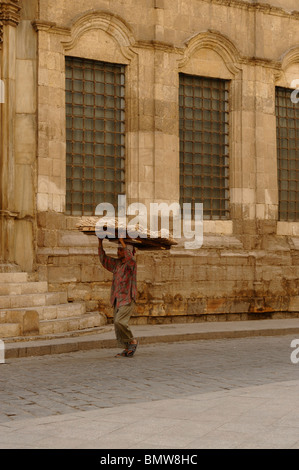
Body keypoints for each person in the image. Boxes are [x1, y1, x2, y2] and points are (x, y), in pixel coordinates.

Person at [98, 237, 138, 357]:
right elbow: (103, 259)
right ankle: (127, 349)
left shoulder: (131, 264)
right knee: (117, 325)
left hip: (127, 298)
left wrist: (122, 242)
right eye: (118, 250)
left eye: (121, 250)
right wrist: (100, 243)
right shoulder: (117, 264)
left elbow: (130, 258)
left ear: (127, 251)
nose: (118, 252)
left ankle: (132, 341)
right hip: (117, 299)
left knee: (120, 321)